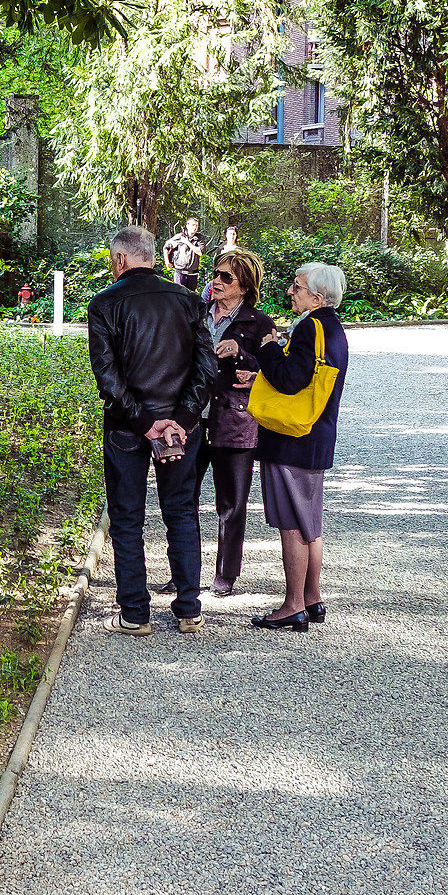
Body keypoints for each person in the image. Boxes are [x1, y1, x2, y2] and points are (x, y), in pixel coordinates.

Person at [88, 224, 217, 635]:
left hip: (129, 427)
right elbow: (206, 368)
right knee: (181, 512)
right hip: (182, 427)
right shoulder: (189, 301)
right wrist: (180, 418)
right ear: (151, 255)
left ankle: (135, 613)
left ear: (121, 259)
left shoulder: (105, 304)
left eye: (113, 259)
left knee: (127, 516)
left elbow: (107, 378)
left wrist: (146, 422)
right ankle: (188, 609)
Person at [248, 262, 349, 633]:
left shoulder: (309, 326)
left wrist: (270, 350)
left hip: (291, 437)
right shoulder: (334, 328)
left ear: (317, 297)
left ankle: (292, 605)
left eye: (297, 286)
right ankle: (312, 598)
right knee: (310, 522)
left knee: (291, 524)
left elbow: (291, 381)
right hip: (317, 434)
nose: (291, 291)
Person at [198, 249, 276, 596]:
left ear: (244, 287)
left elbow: (276, 369)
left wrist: (242, 355)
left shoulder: (260, 323)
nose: (216, 281)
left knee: (231, 502)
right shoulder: (196, 314)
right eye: (215, 274)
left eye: (226, 277)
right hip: (191, 419)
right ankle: (182, 572)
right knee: (182, 497)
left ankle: (225, 575)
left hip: (235, 420)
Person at [163, 216, 203, 290]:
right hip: (180, 272)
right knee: (179, 295)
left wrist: (187, 242)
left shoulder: (199, 238)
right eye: (193, 225)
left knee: (191, 297)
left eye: (196, 225)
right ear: (187, 226)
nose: (195, 227)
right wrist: (167, 262)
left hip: (193, 274)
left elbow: (200, 252)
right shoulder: (180, 236)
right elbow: (166, 247)